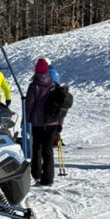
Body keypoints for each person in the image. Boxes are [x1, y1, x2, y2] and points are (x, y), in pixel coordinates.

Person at [25, 57, 61, 186]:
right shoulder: (53, 85)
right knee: (48, 149)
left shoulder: (33, 86)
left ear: (36, 71)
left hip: (37, 123)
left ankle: (36, 173)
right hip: (52, 122)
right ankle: (48, 178)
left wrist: (26, 120)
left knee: (37, 147)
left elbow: (29, 105)